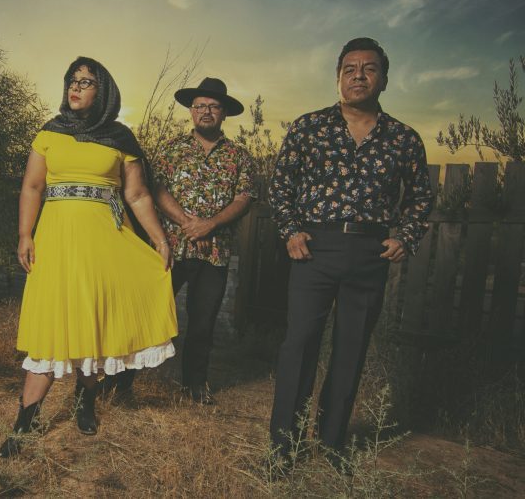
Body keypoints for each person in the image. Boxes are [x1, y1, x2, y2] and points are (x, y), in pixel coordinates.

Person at [0, 57, 177, 458]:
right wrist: (25, 233)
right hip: (56, 241)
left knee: (95, 321)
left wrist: (159, 239)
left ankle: (85, 400)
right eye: (71, 81)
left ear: (104, 92)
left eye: (86, 82)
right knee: (49, 326)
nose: (75, 88)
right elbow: (31, 186)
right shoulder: (49, 132)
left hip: (105, 241)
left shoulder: (120, 138)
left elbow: (137, 195)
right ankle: (24, 424)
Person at [267, 37, 433, 463]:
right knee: (298, 345)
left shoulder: (404, 138)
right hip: (314, 247)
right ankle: (284, 447)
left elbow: (420, 197)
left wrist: (406, 235)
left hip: (369, 252)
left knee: (351, 347)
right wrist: (291, 231)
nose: (359, 75)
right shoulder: (309, 127)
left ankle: (332, 441)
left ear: (384, 78)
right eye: (350, 68)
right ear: (338, 77)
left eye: (369, 68)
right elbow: (281, 185)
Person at [106, 78, 258, 405]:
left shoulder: (239, 156)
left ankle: (194, 385)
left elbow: (244, 198)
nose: (206, 111)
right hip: (169, 248)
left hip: (214, 254)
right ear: (191, 110)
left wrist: (210, 225)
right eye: (200, 106)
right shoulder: (172, 149)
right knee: (147, 315)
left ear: (223, 114)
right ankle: (120, 383)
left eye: (213, 107)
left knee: (203, 324)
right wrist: (190, 224)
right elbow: (154, 190)